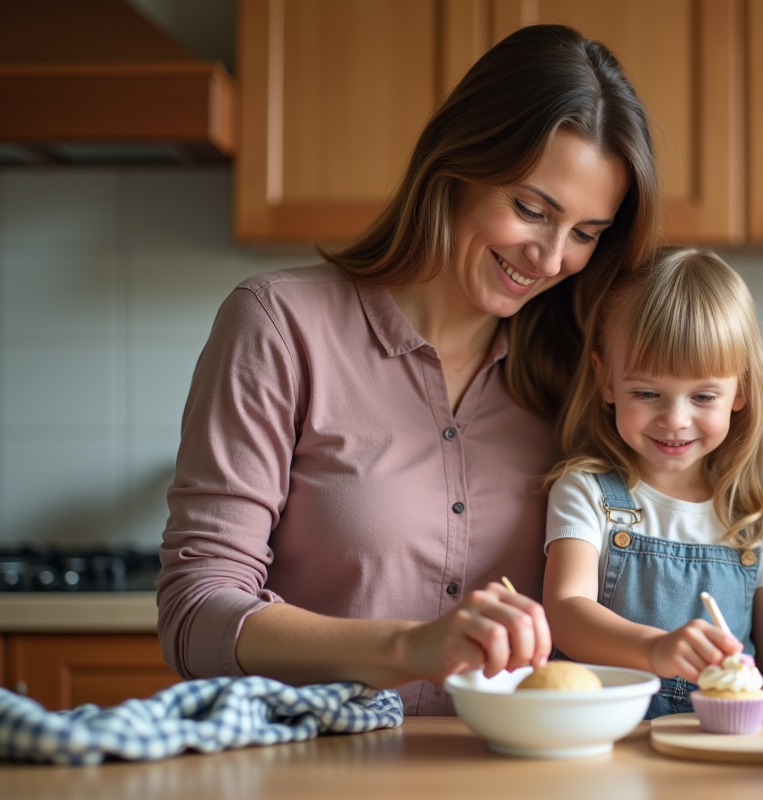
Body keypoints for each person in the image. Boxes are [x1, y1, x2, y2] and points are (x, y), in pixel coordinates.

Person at [155, 24, 659, 716]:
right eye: (530, 209)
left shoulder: (584, 374)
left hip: (514, 774)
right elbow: (196, 610)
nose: (549, 259)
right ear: (457, 164)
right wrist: (409, 647)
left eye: (584, 235)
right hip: (317, 769)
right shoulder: (280, 324)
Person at [541, 247, 763, 719]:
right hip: (604, 737)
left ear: (739, 391)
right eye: (647, 393)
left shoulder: (754, 523)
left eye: (703, 395)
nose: (675, 419)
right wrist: (656, 649)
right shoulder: (586, 491)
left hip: (715, 750)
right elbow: (566, 611)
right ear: (606, 381)